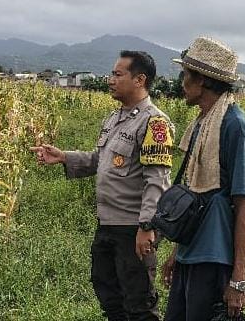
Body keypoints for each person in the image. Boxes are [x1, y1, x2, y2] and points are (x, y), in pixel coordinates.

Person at [30, 50, 173, 321]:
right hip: (106, 224)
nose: (110, 80)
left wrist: (147, 227)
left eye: (118, 75)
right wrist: (64, 157)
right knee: (110, 296)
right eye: (111, 74)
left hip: (132, 229)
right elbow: (102, 160)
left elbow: (157, 179)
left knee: (139, 304)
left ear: (139, 80)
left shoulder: (154, 123)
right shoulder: (114, 118)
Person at [162, 37, 245, 321]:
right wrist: (177, 253)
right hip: (191, 251)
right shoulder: (202, 124)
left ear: (201, 80)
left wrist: (239, 280)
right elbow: (195, 197)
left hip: (214, 256)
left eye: (185, 75)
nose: (181, 82)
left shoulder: (235, 127)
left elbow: (244, 206)